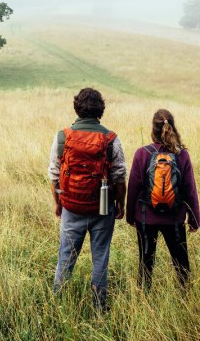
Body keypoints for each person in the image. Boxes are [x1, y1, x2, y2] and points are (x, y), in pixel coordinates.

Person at [49, 87, 127, 310]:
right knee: (100, 257)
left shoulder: (63, 136)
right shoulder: (111, 139)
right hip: (102, 209)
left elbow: (54, 174)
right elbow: (120, 176)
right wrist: (120, 205)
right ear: (100, 109)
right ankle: (99, 307)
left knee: (66, 256)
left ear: (77, 107)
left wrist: (58, 203)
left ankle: (58, 305)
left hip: (71, 207)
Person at [125, 108, 200, 291]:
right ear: (173, 128)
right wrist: (194, 219)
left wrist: (130, 216)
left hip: (145, 219)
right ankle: (185, 298)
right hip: (174, 219)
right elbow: (189, 190)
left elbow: (133, 188)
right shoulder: (182, 155)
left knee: (145, 263)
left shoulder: (142, 153)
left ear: (153, 129)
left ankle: (144, 299)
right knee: (181, 264)